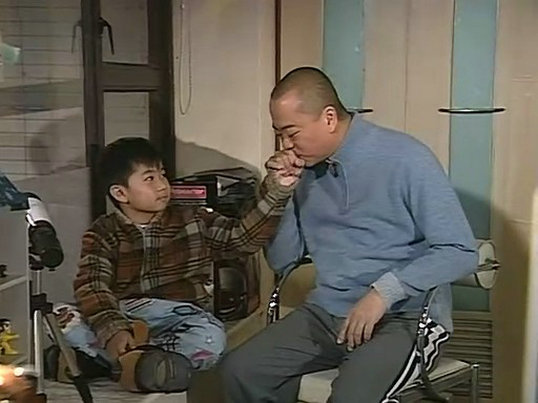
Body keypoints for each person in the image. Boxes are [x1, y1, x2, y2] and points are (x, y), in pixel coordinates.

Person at [221, 67, 478, 402]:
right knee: (239, 370)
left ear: (329, 118)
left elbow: (460, 250)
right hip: (327, 313)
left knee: (351, 396)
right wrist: (277, 196)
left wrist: (382, 293)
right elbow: (284, 261)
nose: (286, 145)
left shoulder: (406, 158)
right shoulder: (303, 171)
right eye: (279, 134)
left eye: (291, 133)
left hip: (407, 317)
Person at [59, 137, 303, 393]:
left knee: (212, 337)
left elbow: (242, 238)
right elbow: (93, 285)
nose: (162, 185)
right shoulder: (102, 233)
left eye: (162, 174)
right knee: (59, 316)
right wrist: (113, 329)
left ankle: (109, 362)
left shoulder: (193, 218)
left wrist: (276, 191)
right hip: (125, 313)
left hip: (179, 315)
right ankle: (139, 365)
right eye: (150, 178)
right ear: (120, 193)